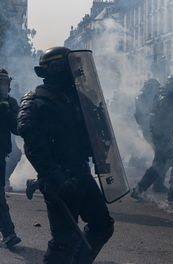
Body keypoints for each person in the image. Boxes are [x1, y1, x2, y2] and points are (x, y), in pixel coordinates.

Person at [17, 47, 114, 263]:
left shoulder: (76, 99)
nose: (77, 72)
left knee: (102, 226)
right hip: (59, 179)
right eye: (72, 67)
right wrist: (56, 178)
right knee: (65, 241)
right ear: (58, 69)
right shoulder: (35, 102)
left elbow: (88, 134)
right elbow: (34, 147)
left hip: (81, 173)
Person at [131, 75, 173, 202]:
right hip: (163, 137)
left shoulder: (164, 97)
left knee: (159, 165)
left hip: (160, 135)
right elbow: (172, 120)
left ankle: (139, 190)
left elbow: (169, 117)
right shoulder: (169, 99)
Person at [134, 79, 168, 193]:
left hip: (153, 129)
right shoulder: (142, 98)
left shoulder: (153, 98)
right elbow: (141, 115)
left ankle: (157, 184)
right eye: (155, 87)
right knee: (161, 158)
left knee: (161, 158)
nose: (157, 90)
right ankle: (144, 187)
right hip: (151, 130)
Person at [0, 68, 21, 248]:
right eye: (1, 82)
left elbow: (17, 129)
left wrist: (8, 112)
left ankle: (8, 233)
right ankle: (8, 233)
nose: (3, 86)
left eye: (5, 82)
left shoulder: (11, 103)